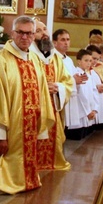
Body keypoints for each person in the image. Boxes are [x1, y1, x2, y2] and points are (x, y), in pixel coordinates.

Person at [0, 16, 55, 195]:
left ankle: (26, 179)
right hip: (9, 130)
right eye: (21, 33)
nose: (25, 37)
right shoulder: (0, 61)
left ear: (34, 36)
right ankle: (2, 182)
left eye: (29, 33)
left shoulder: (35, 60)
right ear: (13, 33)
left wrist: (40, 129)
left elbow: (42, 96)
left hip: (29, 128)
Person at [29, 20, 73, 171]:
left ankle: (49, 161)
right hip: (33, 109)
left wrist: (59, 87)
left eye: (45, 29)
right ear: (31, 35)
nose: (44, 34)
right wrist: (40, 88)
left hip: (53, 107)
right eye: (39, 31)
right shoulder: (27, 56)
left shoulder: (55, 58)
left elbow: (68, 82)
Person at [65, 49, 96, 140]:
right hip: (80, 110)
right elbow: (81, 95)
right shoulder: (77, 75)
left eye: (90, 61)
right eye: (86, 60)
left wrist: (93, 109)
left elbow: (91, 93)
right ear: (79, 61)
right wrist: (87, 111)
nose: (89, 63)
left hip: (88, 110)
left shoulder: (88, 75)